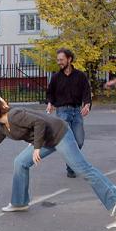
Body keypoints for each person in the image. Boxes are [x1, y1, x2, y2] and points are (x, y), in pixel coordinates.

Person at [0, 96, 116, 220]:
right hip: (45, 140)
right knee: (20, 162)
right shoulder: (3, 127)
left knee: (83, 169)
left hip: (59, 134)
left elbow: (39, 123)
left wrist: (37, 147)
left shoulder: (15, 115)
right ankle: (19, 202)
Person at [46, 48, 92, 178]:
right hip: (62, 112)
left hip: (76, 112)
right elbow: (50, 93)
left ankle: (70, 163)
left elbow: (86, 92)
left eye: (61, 59)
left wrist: (87, 104)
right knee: (68, 141)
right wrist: (50, 103)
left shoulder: (80, 75)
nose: (59, 62)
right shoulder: (55, 77)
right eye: (58, 60)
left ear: (69, 59)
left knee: (79, 141)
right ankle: (71, 167)